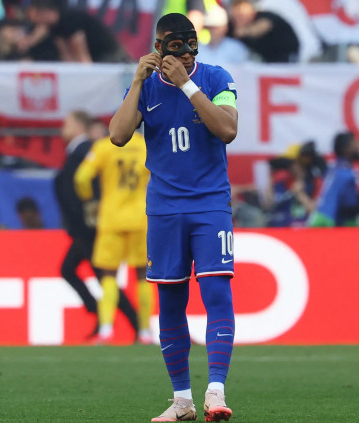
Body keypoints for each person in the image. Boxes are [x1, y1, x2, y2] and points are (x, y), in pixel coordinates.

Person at [109, 12, 238, 422]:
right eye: (174, 44)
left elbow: (228, 129)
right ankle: (182, 401)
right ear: (158, 46)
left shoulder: (217, 78)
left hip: (210, 204)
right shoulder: (147, 87)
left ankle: (215, 392)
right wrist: (136, 82)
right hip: (165, 209)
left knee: (217, 292)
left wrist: (187, 85)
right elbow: (117, 135)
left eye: (189, 43)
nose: (183, 52)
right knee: (170, 302)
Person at [54, 110, 139, 339]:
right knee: (75, 271)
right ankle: (117, 320)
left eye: (67, 123)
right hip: (84, 227)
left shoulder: (86, 150)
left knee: (102, 276)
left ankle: (130, 324)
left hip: (88, 228)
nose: (63, 127)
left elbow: (90, 184)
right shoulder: (79, 150)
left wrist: (90, 219)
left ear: (78, 126)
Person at [74, 131, 154, 344]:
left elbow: (81, 177)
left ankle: (106, 329)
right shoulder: (145, 146)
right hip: (140, 218)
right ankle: (145, 332)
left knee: (108, 274)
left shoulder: (104, 146)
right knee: (143, 275)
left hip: (111, 219)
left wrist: (88, 200)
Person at [307, 131, 359, 227]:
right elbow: (349, 207)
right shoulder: (346, 174)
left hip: (318, 220)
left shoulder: (333, 168)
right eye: (355, 143)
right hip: (329, 223)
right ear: (346, 149)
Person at [25, 0, 129, 63]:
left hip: (111, 57)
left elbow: (82, 57)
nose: (34, 21)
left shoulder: (69, 20)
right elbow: (67, 56)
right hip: (97, 59)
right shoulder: (54, 27)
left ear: (44, 12)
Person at [229, 0, 299, 63]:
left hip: (285, 56)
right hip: (263, 61)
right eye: (235, 16)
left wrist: (244, 31)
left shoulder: (265, 16)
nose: (238, 18)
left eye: (241, 15)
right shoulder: (232, 26)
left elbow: (263, 26)